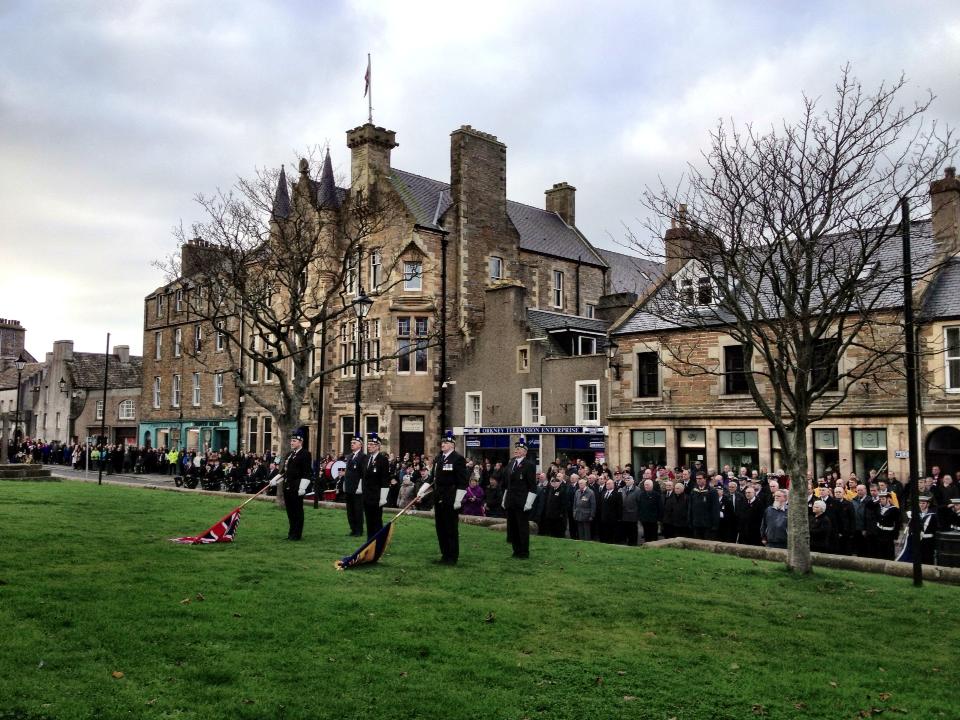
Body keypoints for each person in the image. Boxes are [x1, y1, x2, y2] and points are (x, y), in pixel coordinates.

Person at [424, 430, 469, 564]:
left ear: (452, 444)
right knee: (441, 527)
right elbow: (433, 478)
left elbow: (462, 481)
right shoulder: (439, 458)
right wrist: (422, 490)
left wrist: (458, 499)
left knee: (450, 528)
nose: (443, 444)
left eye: (446, 442)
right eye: (442, 442)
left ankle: (452, 556)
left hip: (451, 496)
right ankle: (444, 555)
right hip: (439, 496)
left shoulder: (458, 459)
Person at [270, 429, 312, 541]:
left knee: (297, 511)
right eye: (291, 441)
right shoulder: (290, 454)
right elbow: (284, 471)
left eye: (294, 441)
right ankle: (291, 533)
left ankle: (297, 534)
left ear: (300, 442)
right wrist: (275, 480)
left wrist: (303, 487)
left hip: (297, 487)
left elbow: (307, 472)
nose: (292, 443)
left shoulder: (305, 454)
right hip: (287, 486)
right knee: (290, 512)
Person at [504, 437, 538, 558]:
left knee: (522, 527)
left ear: (525, 452)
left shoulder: (529, 465)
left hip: (522, 501)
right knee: (512, 526)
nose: (516, 450)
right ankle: (516, 550)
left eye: (519, 449)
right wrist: (505, 498)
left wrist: (528, 503)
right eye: (516, 448)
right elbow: (507, 483)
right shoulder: (511, 462)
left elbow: (532, 486)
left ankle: (524, 551)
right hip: (511, 500)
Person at [362, 432, 390, 540]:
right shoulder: (366, 459)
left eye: (372, 445)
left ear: (378, 446)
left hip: (377, 496)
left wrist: (383, 497)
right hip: (367, 495)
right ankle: (370, 541)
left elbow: (384, 479)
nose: (369, 447)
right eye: (368, 444)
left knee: (377, 520)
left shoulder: (382, 460)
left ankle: (379, 541)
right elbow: (363, 477)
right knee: (368, 520)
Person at [342, 435, 366, 537]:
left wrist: (360, 486)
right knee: (350, 510)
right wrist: (344, 483)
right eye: (351, 443)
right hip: (349, 486)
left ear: (360, 445)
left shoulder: (363, 457)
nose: (352, 444)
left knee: (357, 509)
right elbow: (348, 472)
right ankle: (353, 529)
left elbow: (363, 473)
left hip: (357, 488)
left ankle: (359, 530)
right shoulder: (350, 456)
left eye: (354, 443)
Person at [636, 478, 663, 544]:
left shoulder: (657, 495)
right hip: (644, 519)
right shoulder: (641, 495)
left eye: (647, 485)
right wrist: (640, 516)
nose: (646, 486)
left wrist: (659, 518)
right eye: (645, 485)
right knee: (646, 534)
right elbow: (639, 506)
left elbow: (660, 507)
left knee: (653, 535)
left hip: (653, 519)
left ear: (651, 485)